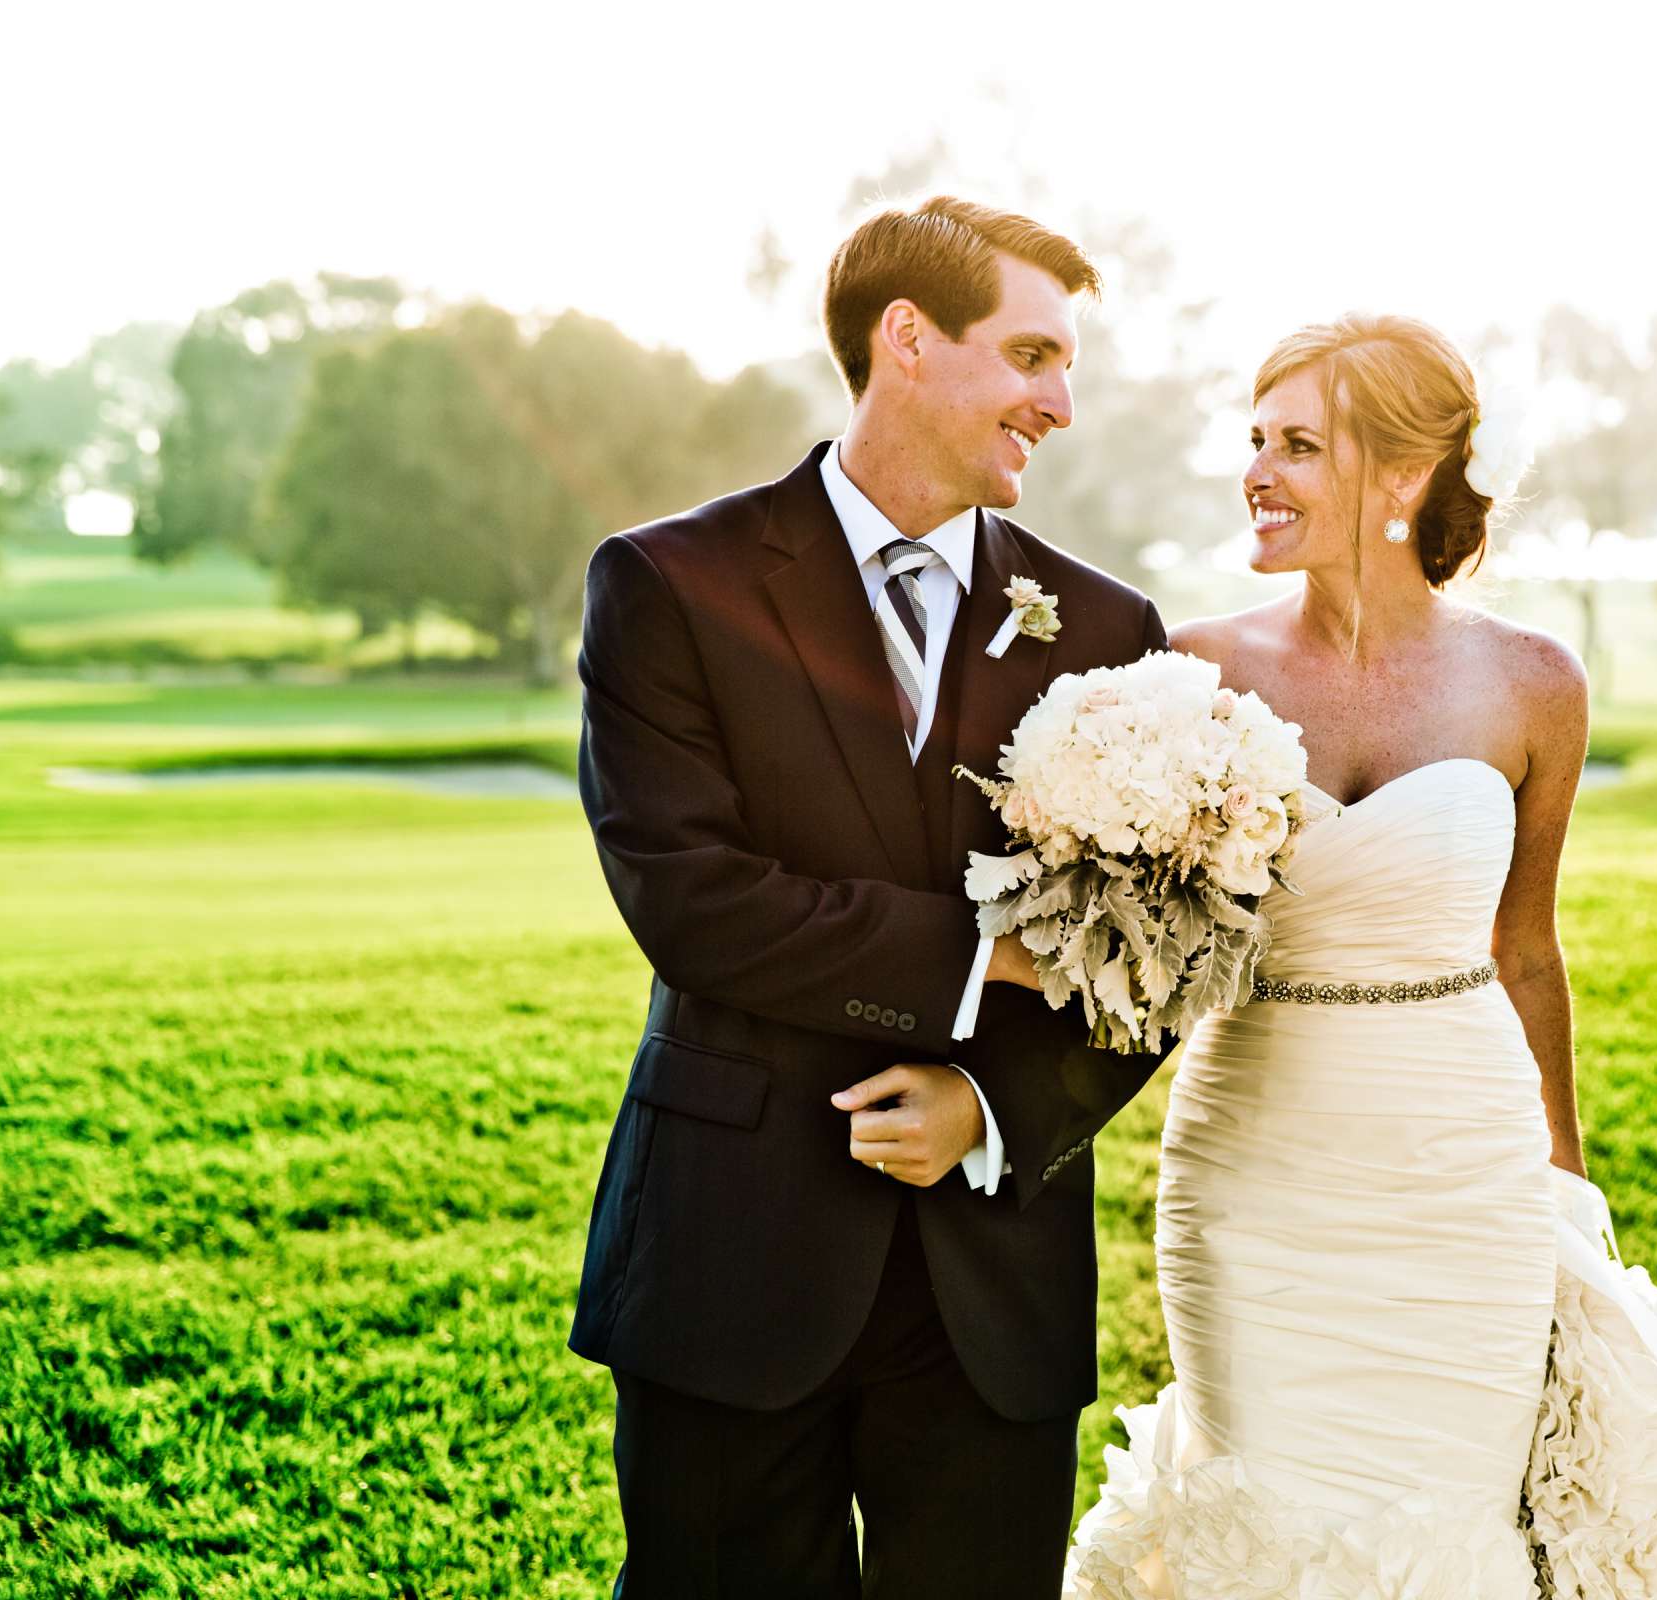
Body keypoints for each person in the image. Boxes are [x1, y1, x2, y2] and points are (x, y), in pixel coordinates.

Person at [1066, 315, 1657, 1597]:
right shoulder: (1190, 668)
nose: (1258, 471)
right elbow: (1132, 949)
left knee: (1450, 1522)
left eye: (1300, 445)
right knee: (1258, 1504)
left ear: (1405, 477)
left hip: (1461, 1177)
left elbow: (1527, 950)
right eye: (1255, 440)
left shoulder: (1534, 682)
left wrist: (1567, 1189)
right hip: (1257, 1167)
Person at [567, 195, 1168, 1599]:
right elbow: (691, 898)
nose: (1060, 403)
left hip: (991, 1282)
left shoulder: (1109, 630)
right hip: (731, 1258)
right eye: (1031, 357)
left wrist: (996, 1106)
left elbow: (1161, 962)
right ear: (908, 339)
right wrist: (991, 959)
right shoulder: (668, 582)